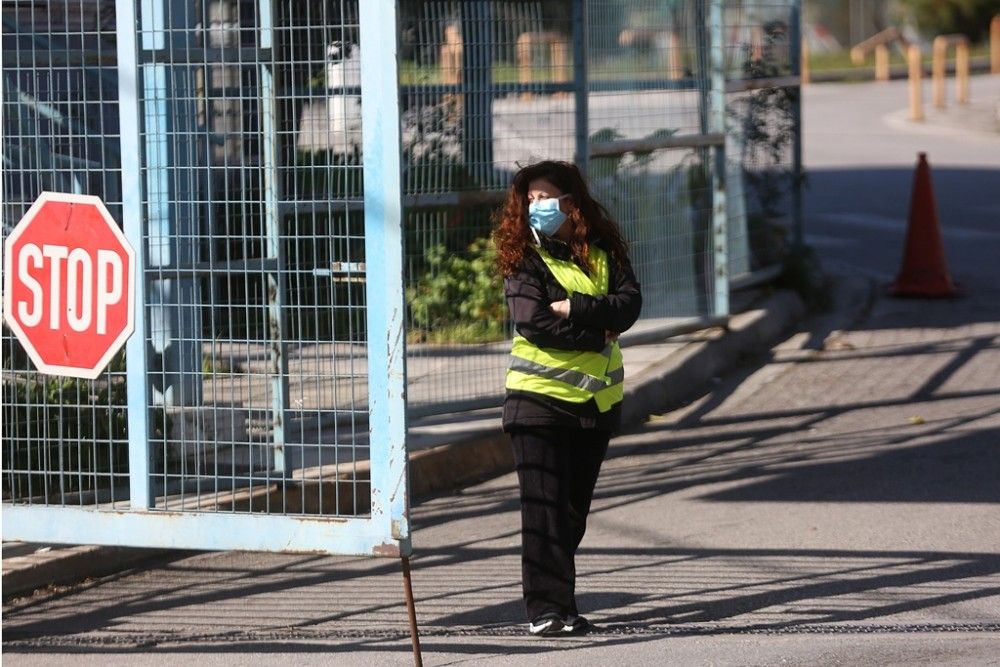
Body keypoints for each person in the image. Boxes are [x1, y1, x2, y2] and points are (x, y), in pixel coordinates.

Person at [491, 160, 642, 637]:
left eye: (544, 199)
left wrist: (576, 306)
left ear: (571, 203)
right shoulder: (524, 258)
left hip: (594, 406)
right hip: (537, 404)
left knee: (571, 514)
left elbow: (630, 304)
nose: (535, 207)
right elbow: (533, 321)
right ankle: (548, 611)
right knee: (545, 512)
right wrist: (596, 336)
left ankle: (562, 606)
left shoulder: (602, 252)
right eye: (529, 200)